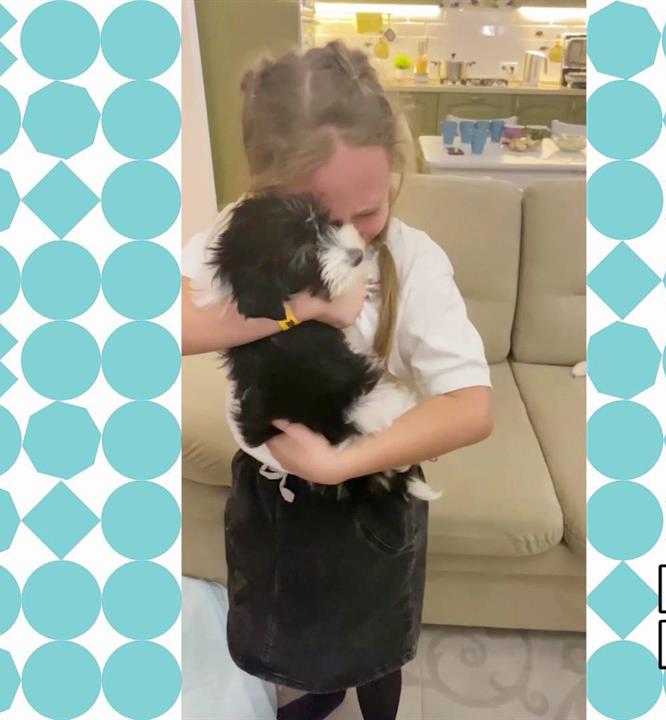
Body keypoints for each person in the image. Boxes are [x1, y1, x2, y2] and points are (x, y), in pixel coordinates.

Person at [181, 41, 493, 720]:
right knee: (291, 633)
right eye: (320, 219)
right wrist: (305, 308)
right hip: (273, 497)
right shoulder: (240, 233)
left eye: (369, 212)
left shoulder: (413, 260)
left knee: (378, 645)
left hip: (374, 494)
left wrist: (336, 465)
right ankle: (320, 694)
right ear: (269, 195)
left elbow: (472, 406)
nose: (350, 238)